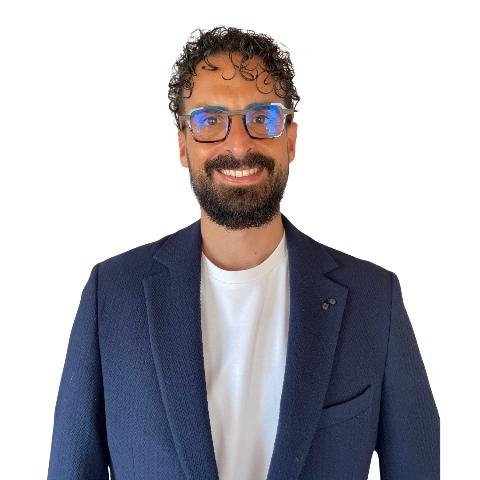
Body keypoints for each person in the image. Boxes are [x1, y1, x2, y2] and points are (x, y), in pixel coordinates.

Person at [48, 26, 439, 480]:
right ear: (183, 145)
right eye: (210, 121)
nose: (238, 145)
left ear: (289, 140)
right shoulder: (113, 296)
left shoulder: (373, 300)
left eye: (262, 117)